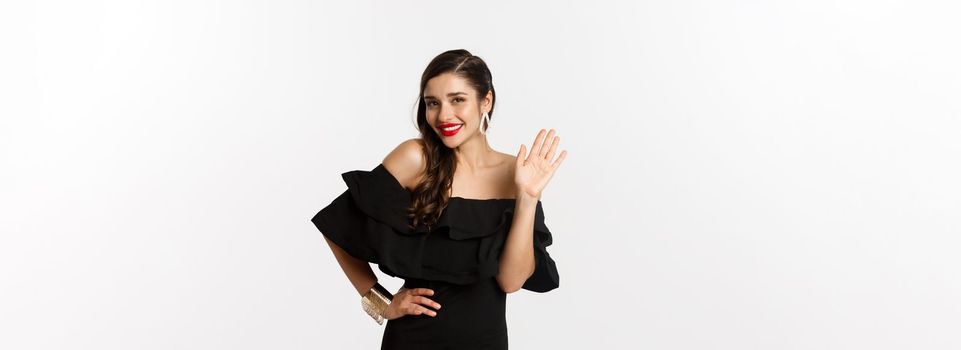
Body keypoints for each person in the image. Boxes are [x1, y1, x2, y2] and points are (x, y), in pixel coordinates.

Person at [310, 49, 567, 350]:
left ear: (486, 101)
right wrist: (380, 301)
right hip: (412, 340)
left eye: (457, 99)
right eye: (433, 103)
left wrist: (528, 197)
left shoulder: (519, 173)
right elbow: (337, 226)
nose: (443, 115)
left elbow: (511, 282)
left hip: (486, 341)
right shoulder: (415, 158)